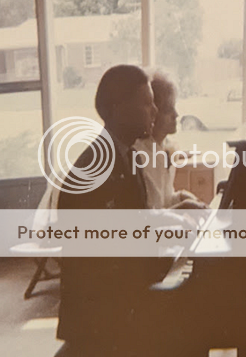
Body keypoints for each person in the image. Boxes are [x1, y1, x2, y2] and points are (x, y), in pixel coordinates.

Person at [55, 65, 173, 356]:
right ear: (118, 109)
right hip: (101, 314)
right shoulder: (94, 168)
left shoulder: (126, 155)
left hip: (119, 296)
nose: (154, 111)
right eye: (146, 103)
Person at [134, 70, 207, 209]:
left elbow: (164, 200)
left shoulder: (165, 148)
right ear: (152, 112)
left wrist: (181, 197)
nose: (176, 115)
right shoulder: (139, 156)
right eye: (168, 109)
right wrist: (183, 207)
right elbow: (149, 217)